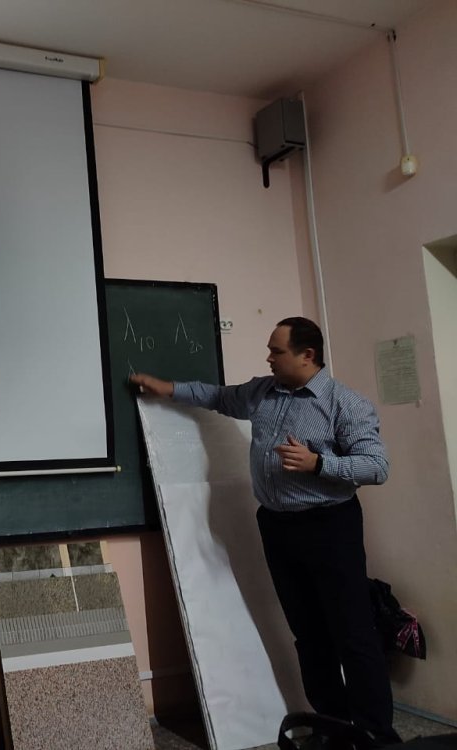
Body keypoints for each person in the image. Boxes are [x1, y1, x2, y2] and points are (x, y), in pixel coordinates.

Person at [130, 316, 401, 748]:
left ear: (307, 355)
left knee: (353, 633)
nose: (269, 358)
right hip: (277, 526)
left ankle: (375, 735)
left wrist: (319, 464)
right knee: (309, 635)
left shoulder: (344, 404)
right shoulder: (263, 391)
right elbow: (218, 396)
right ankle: (333, 729)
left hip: (330, 527)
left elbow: (377, 466)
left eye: (277, 351)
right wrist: (168, 389)